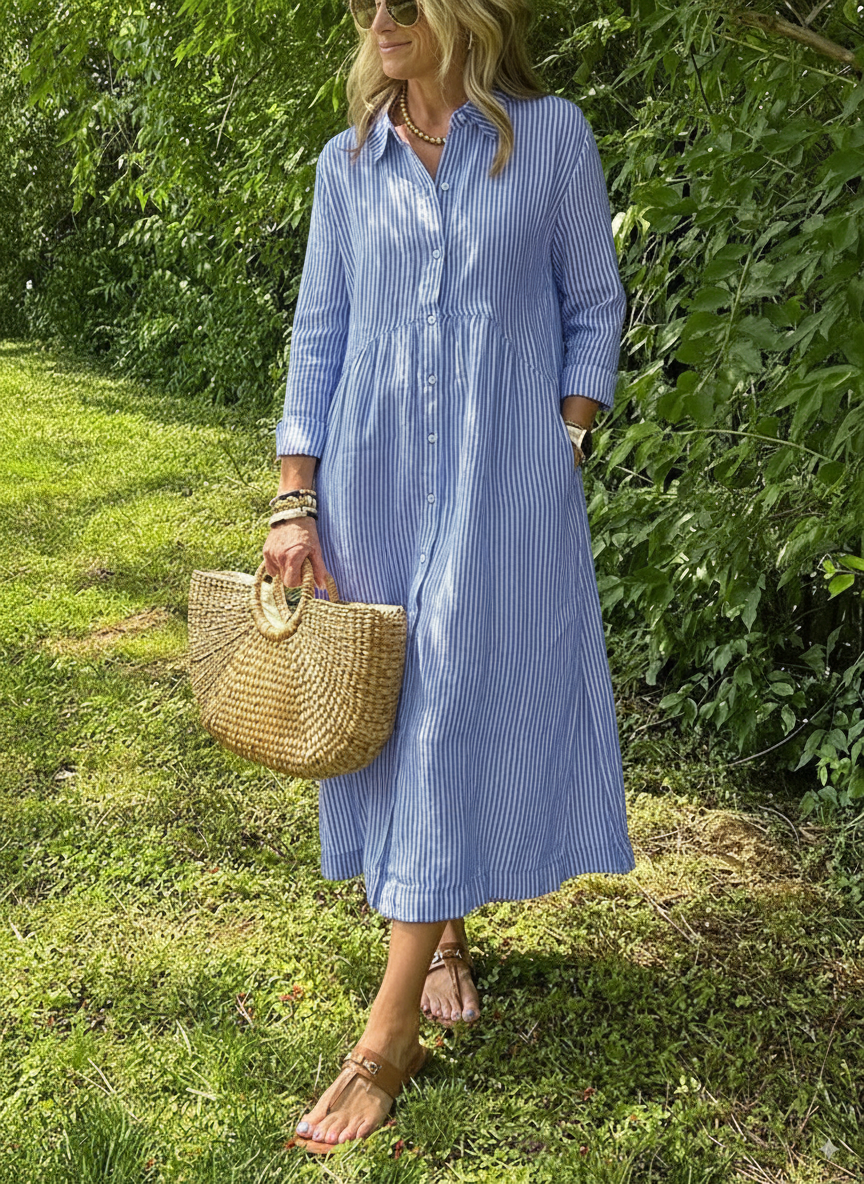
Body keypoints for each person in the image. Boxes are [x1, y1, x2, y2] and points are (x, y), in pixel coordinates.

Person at [262, 0, 635, 1154]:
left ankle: (387, 1035)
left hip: (500, 485)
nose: (378, 16)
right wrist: (294, 497)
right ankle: (445, 929)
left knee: (447, 706)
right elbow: (320, 332)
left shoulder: (552, 138)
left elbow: (595, 303)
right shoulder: (346, 165)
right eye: (365, 0)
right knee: (403, 714)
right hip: (372, 483)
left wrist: (561, 442)